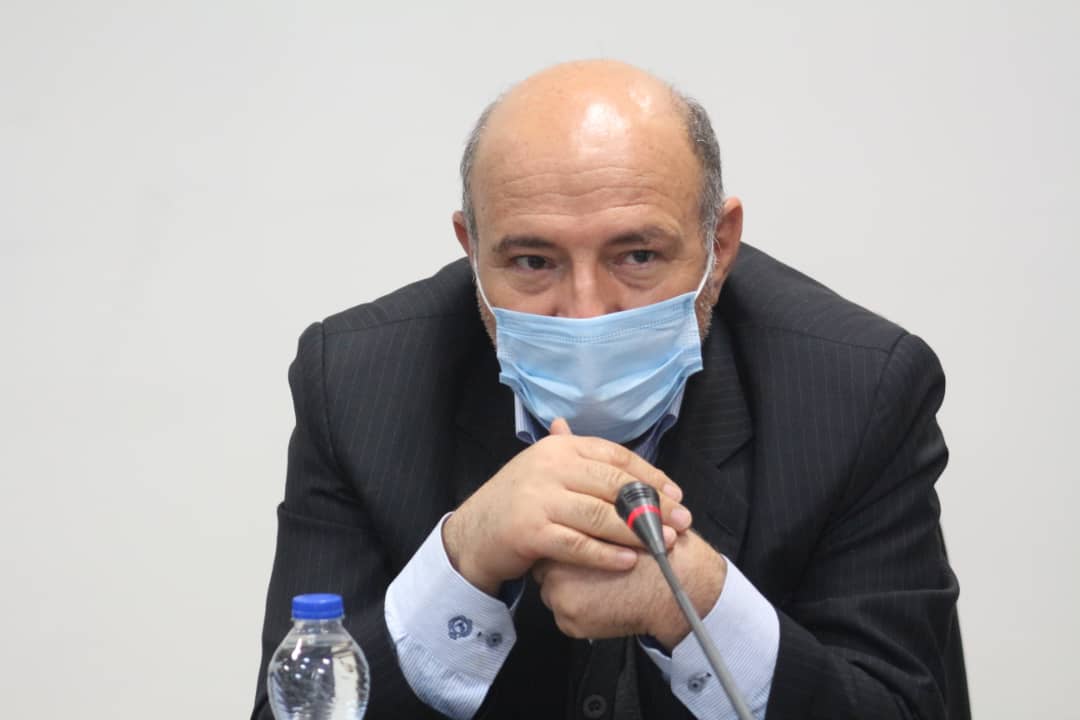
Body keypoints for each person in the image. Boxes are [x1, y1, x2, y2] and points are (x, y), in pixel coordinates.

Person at [251, 60, 969, 719]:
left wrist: (700, 606)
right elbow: (289, 708)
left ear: (719, 246)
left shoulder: (858, 389)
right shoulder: (357, 384)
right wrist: (461, 563)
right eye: (533, 262)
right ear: (471, 251)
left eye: (638, 255)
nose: (587, 313)